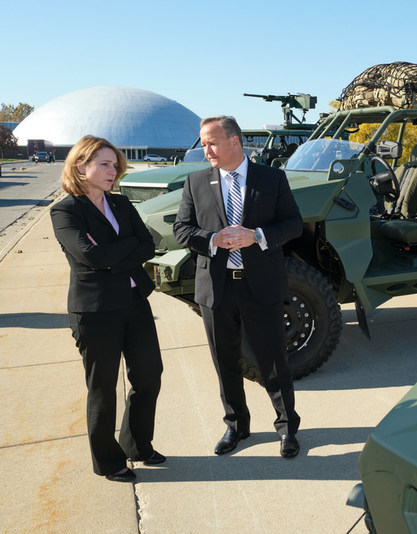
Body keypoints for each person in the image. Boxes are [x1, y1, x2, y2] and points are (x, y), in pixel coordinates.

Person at [173, 116, 303, 458]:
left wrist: (256, 236)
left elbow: (293, 224)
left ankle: (287, 427)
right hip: (216, 290)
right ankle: (236, 426)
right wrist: (213, 239)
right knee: (225, 362)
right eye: (203, 143)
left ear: (235, 141)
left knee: (273, 361)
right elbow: (182, 230)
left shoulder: (272, 179)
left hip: (260, 286)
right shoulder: (195, 182)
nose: (206, 150)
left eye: (211, 143)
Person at [50, 136, 165, 483]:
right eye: (104, 164)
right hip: (96, 312)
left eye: (114, 165)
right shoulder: (65, 210)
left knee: (149, 375)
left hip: (134, 303)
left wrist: (114, 251)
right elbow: (90, 256)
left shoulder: (120, 204)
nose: (112, 171)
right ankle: (108, 460)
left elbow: (149, 244)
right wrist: (121, 250)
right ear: (81, 166)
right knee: (103, 388)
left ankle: (137, 444)